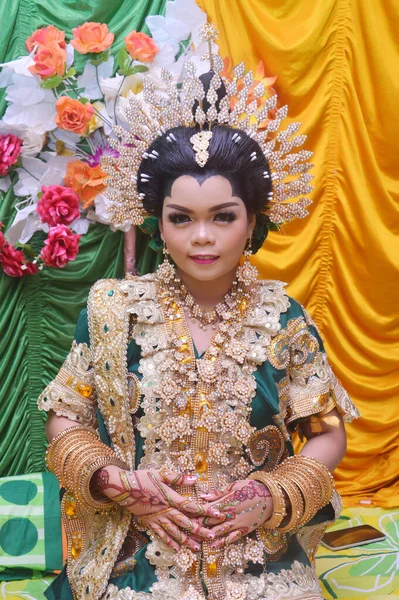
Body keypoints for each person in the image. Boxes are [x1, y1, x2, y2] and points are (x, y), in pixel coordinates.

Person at [38, 28, 359, 600]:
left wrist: (272, 496)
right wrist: (116, 483)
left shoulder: (283, 316)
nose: (203, 237)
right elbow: (64, 417)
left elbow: (325, 430)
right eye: (181, 218)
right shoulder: (113, 311)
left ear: (253, 220)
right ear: (157, 223)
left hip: (258, 553)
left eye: (223, 216)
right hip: (137, 553)